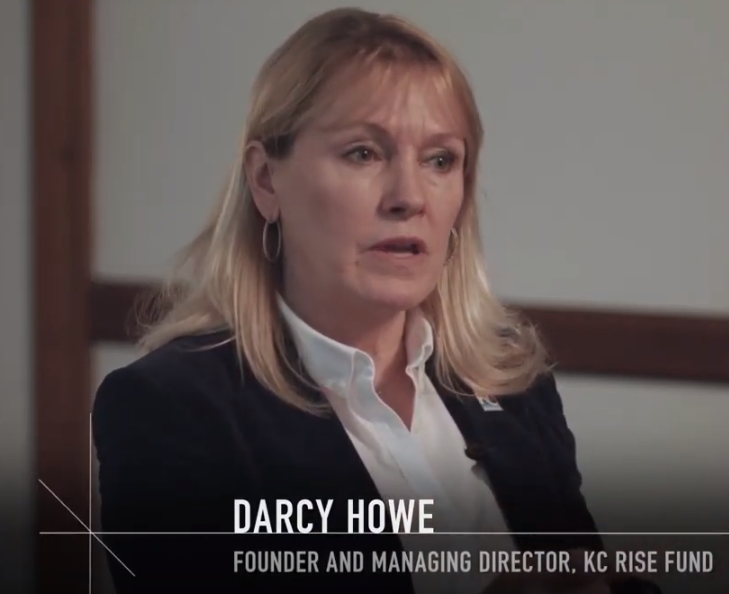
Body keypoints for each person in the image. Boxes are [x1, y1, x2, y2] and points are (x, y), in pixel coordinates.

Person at [93, 8, 660, 594]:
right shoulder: (170, 408)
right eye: (363, 153)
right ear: (266, 180)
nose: (409, 197)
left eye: (440, 160)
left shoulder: (515, 385)